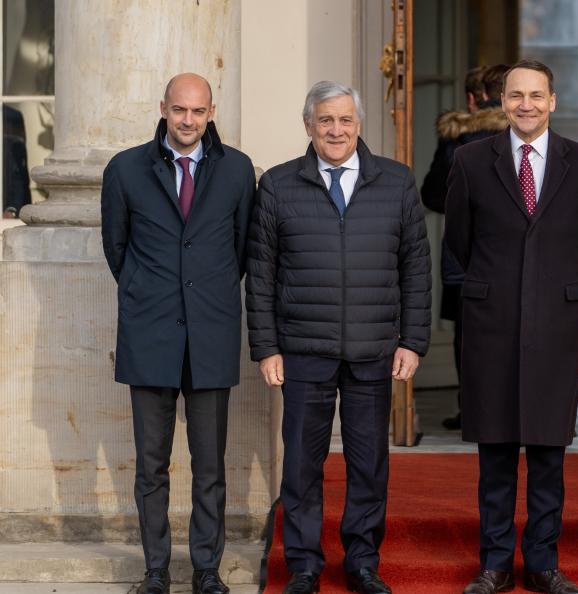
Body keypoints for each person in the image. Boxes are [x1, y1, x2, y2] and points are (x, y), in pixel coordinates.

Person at [245, 81, 431, 594]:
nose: (336, 130)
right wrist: (266, 347)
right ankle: (304, 564)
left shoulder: (396, 182)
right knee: (302, 465)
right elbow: (260, 273)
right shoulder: (279, 185)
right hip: (303, 349)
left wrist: (412, 341)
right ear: (308, 125)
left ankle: (362, 562)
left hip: (374, 349)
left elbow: (416, 267)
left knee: (368, 464)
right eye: (325, 120)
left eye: (346, 120)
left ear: (359, 124)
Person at [445, 59, 578, 594]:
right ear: (502, 101)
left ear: (553, 102)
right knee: (494, 451)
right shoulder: (471, 160)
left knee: (547, 452)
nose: (526, 105)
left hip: (557, 321)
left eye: (537, 95)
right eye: (516, 95)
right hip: (490, 322)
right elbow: (458, 242)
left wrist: (551, 284)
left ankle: (542, 563)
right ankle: (493, 563)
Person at [101, 72, 256, 594]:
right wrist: (153, 294)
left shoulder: (237, 171)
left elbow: (240, 251)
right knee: (151, 465)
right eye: (179, 110)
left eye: (198, 111)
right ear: (163, 108)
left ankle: (207, 570)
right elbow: (116, 251)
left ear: (211, 112)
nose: (188, 121)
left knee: (210, 464)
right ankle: (156, 570)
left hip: (211, 333)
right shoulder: (124, 169)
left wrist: (202, 295)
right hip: (150, 335)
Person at [420, 63, 508, 430]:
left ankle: (471, 409)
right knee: (518, 332)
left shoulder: (455, 139)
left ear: (472, 100)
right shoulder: (530, 138)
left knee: (466, 338)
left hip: (462, 257)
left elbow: (432, 195)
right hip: (513, 256)